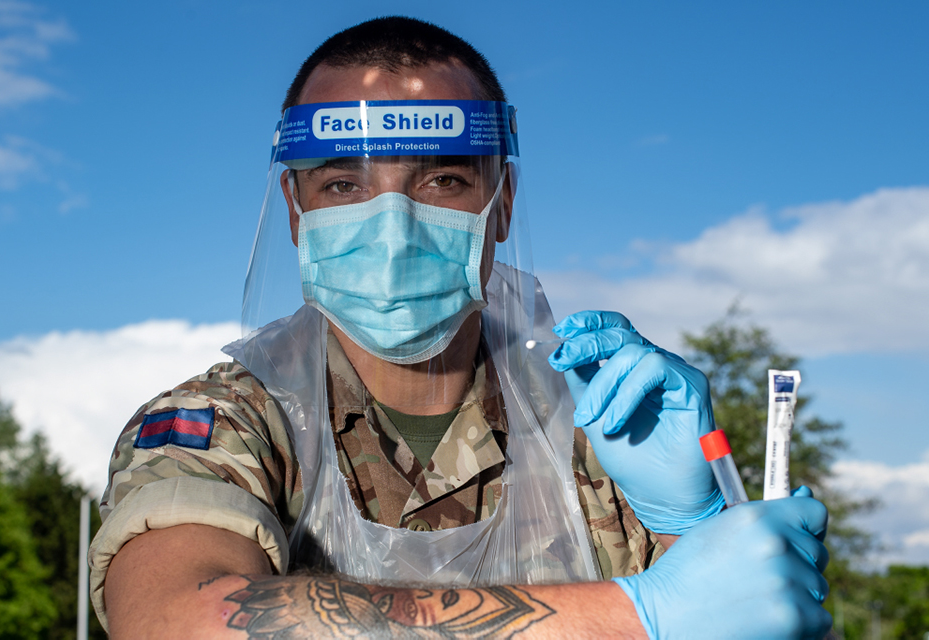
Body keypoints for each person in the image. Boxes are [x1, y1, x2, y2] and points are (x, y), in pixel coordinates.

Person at [89, 17, 833, 639]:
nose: (391, 226)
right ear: (295, 209)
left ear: (501, 202)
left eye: (441, 180)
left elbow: (744, 615)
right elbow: (179, 620)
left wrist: (695, 521)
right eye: (344, 184)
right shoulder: (224, 427)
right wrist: (637, 615)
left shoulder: (602, 431)